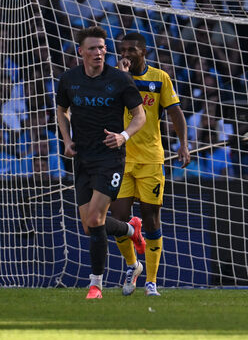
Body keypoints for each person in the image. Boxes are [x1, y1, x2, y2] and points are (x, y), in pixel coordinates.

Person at [55, 26, 147, 299]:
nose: (99, 52)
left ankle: (96, 284)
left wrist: (123, 135)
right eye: (93, 48)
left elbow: (139, 116)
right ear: (81, 51)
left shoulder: (119, 79)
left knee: (95, 218)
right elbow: (61, 110)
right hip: (83, 157)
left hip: (110, 158)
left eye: (103, 47)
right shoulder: (69, 79)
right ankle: (131, 228)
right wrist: (66, 139)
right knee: (88, 225)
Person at [110, 32, 190, 297]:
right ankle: (133, 265)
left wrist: (184, 144)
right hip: (120, 158)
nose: (126, 54)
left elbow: (175, 113)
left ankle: (152, 282)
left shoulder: (160, 78)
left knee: (152, 219)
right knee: (118, 218)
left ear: (144, 52)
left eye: (131, 49)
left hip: (151, 159)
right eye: (122, 50)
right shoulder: (114, 76)